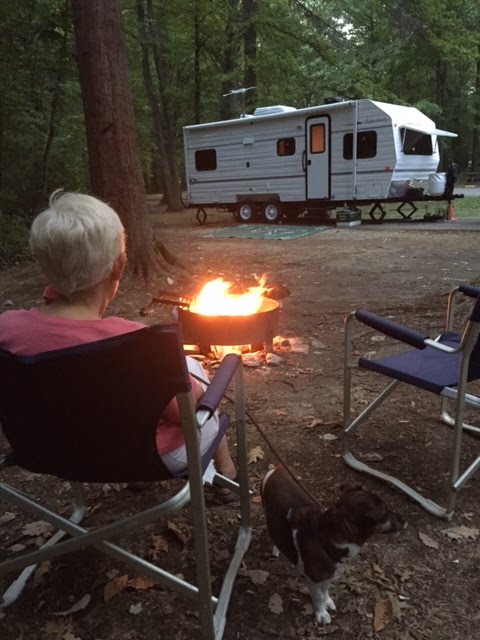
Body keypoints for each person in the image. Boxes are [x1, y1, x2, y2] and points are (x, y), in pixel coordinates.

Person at [0, 190, 237, 500]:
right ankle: (228, 474)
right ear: (119, 265)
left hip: (48, 453)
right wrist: (204, 394)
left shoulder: (6, 329)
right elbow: (187, 414)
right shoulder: (139, 345)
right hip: (145, 456)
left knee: (184, 368)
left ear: (45, 264)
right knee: (199, 390)